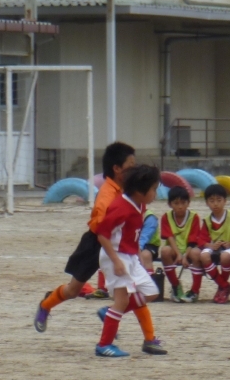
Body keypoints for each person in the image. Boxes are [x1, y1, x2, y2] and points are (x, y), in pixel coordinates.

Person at [34, 141, 136, 332]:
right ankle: (46, 305)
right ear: (116, 169)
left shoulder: (125, 190)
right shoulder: (106, 196)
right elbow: (102, 229)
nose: (134, 171)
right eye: (130, 167)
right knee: (73, 290)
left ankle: (127, 329)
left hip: (116, 244)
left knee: (132, 291)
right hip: (95, 244)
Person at [91, 164, 166, 357]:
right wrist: (116, 261)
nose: (156, 194)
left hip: (130, 256)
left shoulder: (139, 205)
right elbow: (102, 234)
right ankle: (104, 345)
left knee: (151, 292)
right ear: (140, 191)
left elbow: (132, 234)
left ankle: (109, 312)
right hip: (115, 256)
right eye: (154, 189)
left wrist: (137, 254)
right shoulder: (120, 207)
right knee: (122, 301)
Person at [150, 185, 206, 301]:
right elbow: (169, 237)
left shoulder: (194, 217)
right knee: (165, 251)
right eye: (176, 203)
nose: (180, 207)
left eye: (183, 203)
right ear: (170, 204)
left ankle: (195, 291)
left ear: (188, 203)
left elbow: (192, 240)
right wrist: (179, 254)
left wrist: (185, 256)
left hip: (190, 250)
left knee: (196, 253)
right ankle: (176, 286)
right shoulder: (166, 217)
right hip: (174, 250)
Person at [199, 183, 230, 304]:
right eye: (211, 201)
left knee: (225, 256)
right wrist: (211, 246)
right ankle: (224, 286)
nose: (215, 204)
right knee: (204, 256)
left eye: (219, 200)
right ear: (207, 203)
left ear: (225, 201)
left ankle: (222, 289)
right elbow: (201, 240)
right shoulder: (207, 220)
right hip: (216, 248)